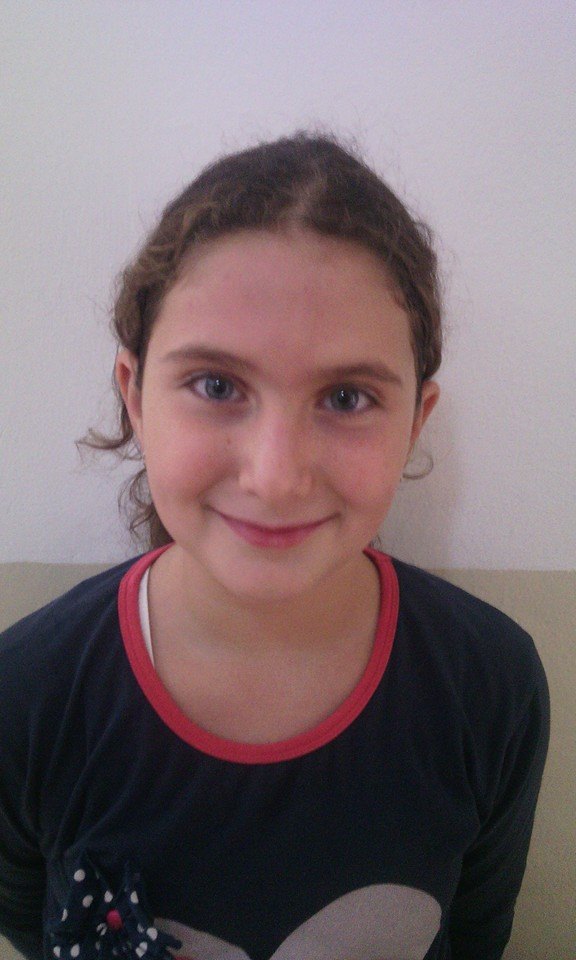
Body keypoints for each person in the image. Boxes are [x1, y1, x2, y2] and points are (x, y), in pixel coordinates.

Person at [0, 133, 549, 960]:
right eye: (216, 385)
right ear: (136, 397)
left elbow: (475, 932)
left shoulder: (491, 687)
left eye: (347, 396)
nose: (276, 475)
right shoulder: (24, 700)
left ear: (415, 422)